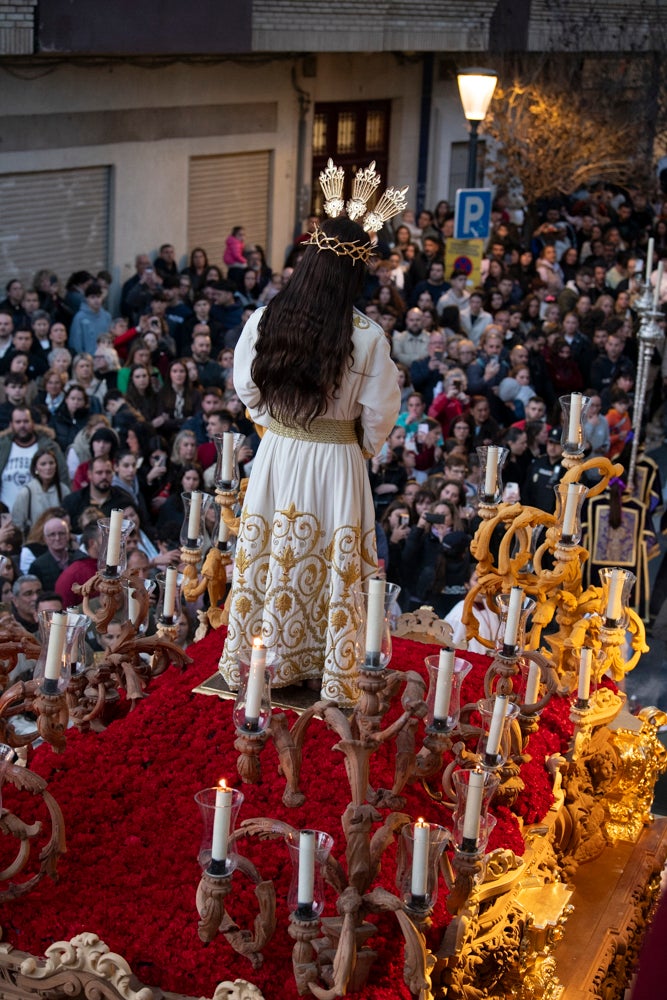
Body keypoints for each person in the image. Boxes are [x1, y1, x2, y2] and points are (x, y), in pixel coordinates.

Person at [219, 215, 400, 706]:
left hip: (278, 454)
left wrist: (273, 424)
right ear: (354, 275)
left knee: (273, 555)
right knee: (331, 560)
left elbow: (245, 386)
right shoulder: (368, 337)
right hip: (337, 461)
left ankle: (263, 658)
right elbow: (382, 412)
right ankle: (329, 667)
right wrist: (357, 444)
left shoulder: (265, 319)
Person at [0, 407, 69, 511]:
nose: (22, 425)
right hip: (6, 515)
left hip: (42, 514)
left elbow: (63, 476)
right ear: (11, 425)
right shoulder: (2, 447)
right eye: (18, 422)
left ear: (33, 423)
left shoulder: (50, 447)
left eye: (26, 421)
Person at [11, 446, 71, 533]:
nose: (48, 467)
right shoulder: (26, 492)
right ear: (36, 468)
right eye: (43, 464)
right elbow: (17, 524)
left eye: (51, 463)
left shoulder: (64, 490)